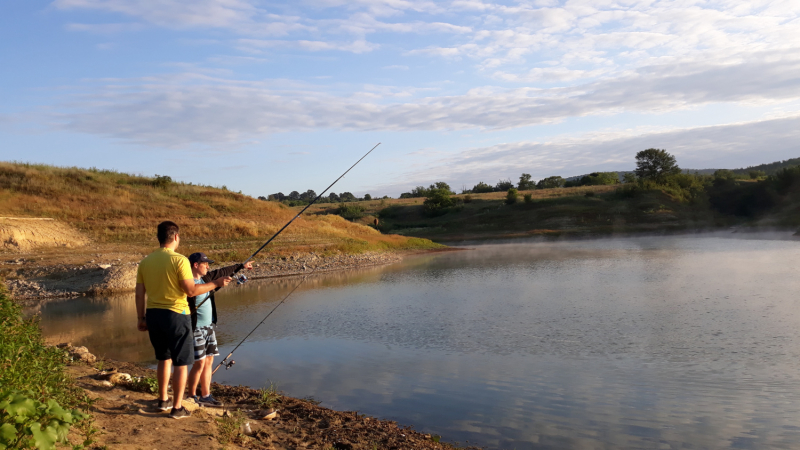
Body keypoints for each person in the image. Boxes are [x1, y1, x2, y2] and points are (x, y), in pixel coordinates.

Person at [135, 221, 231, 419]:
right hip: (176, 315)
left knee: (163, 358)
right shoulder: (180, 261)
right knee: (181, 362)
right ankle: (177, 408)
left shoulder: (146, 262)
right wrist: (215, 284)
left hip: (153, 314)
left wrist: (141, 317)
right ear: (176, 237)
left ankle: (163, 400)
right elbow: (191, 290)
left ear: (159, 237)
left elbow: (139, 293)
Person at [186, 252, 253, 405]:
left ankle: (205, 395)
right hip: (195, 328)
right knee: (199, 363)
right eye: (205, 264)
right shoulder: (188, 283)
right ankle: (191, 396)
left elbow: (221, 272)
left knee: (209, 361)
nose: (208, 267)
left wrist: (241, 266)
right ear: (196, 265)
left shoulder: (206, 278)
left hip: (209, 327)